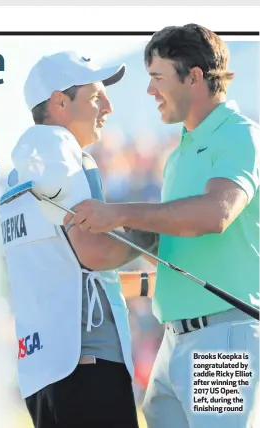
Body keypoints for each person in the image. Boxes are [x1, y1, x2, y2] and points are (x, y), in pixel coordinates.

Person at [63, 24, 259, 428]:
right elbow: (173, 243)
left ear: (194, 76)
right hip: (177, 340)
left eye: (157, 78)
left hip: (222, 341)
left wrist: (119, 212)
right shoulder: (179, 154)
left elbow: (214, 214)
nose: (150, 91)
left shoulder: (240, 135)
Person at [0, 51, 158, 428]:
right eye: (95, 96)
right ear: (59, 102)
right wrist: (160, 230)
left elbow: (72, 273)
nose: (108, 106)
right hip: (87, 365)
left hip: (43, 370)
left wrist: (150, 283)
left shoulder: (17, 180)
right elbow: (95, 252)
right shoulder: (61, 151)